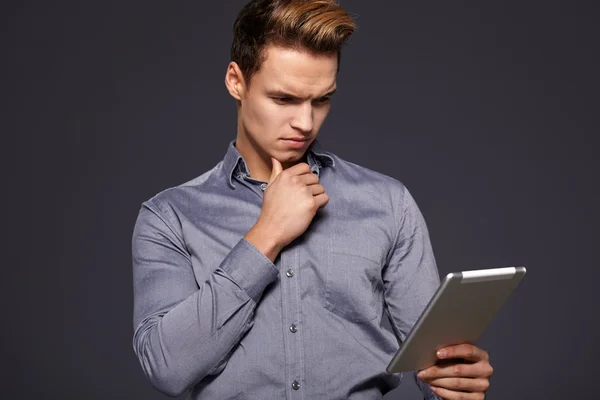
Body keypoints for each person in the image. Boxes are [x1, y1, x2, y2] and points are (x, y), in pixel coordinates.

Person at [131, 1, 494, 399]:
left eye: (321, 100)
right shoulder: (170, 218)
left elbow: (437, 374)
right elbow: (166, 367)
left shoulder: (388, 204)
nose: (305, 123)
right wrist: (265, 235)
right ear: (237, 81)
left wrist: (458, 387)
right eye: (284, 99)